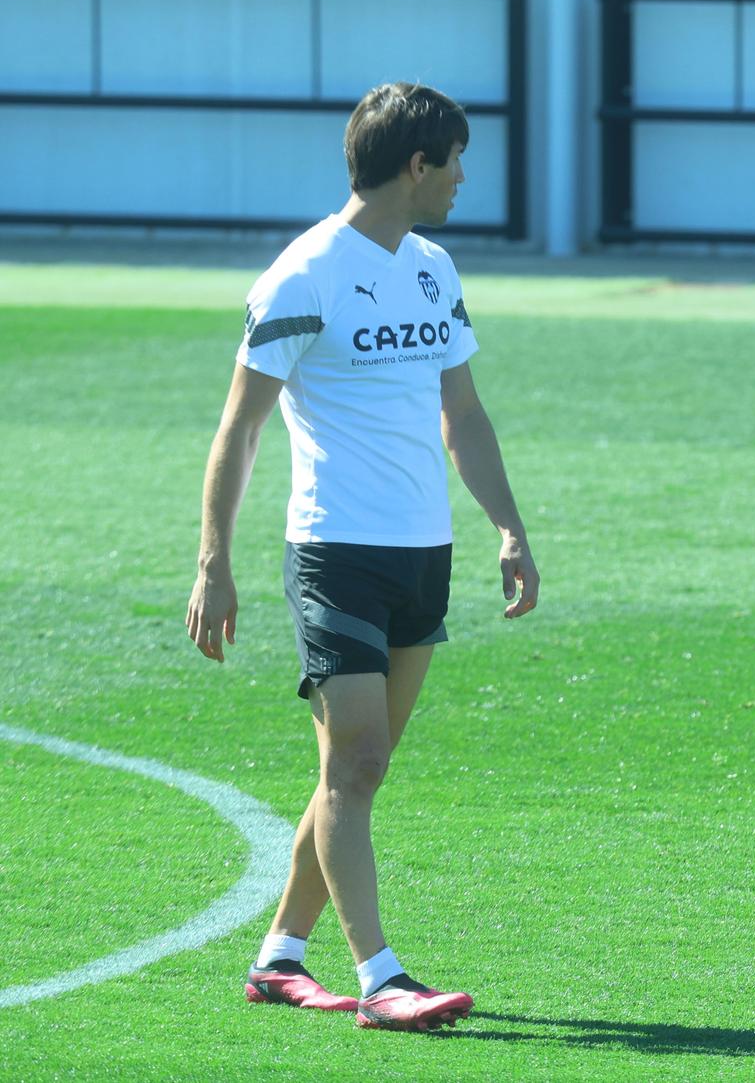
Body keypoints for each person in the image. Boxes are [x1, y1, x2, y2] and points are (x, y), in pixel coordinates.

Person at [185, 83, 540, 1032]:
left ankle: (278, 958)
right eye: (455, 159)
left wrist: (508, 525)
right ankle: (382, 977)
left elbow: (461, 413)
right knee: (358, 763)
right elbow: (241, 427)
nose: (465, 177)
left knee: (357, 771)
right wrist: (214, 558)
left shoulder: (433, 266)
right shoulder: (305, 273)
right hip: (335, 551)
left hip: (425, 552)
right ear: (416, 166)